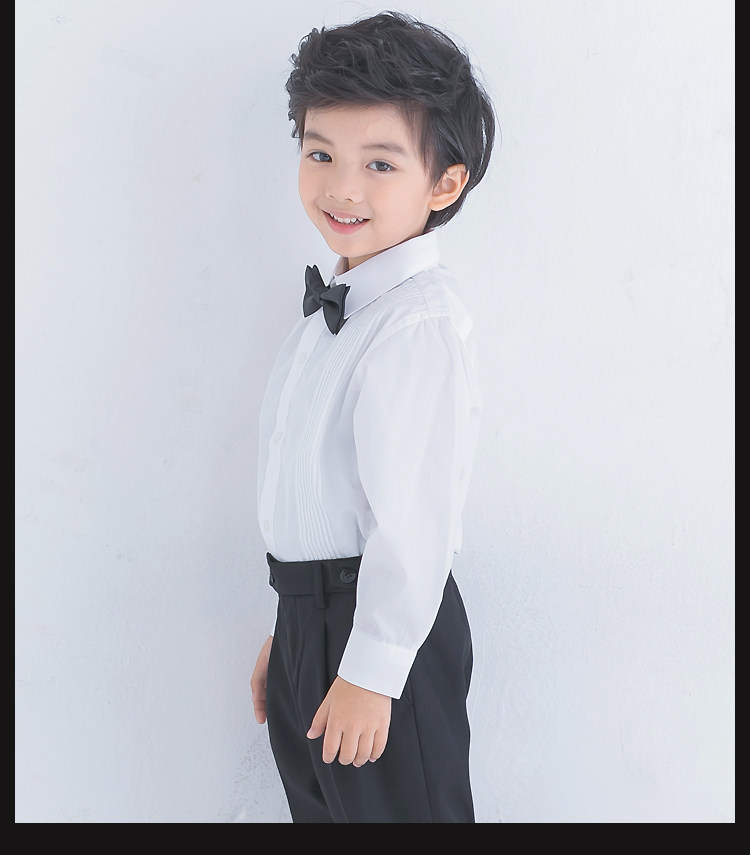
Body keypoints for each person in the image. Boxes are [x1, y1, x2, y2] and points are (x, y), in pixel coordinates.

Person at [250, 10, 495, 823]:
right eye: (320, 153)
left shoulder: (415, 324)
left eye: (381, 163)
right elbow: (319, 494)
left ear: (444, 183)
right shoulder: (338, 311)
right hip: (315, 623)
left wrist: (372, 664)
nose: (342, 187)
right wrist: (293, 632)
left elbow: (416, 519)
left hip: (380, 630)